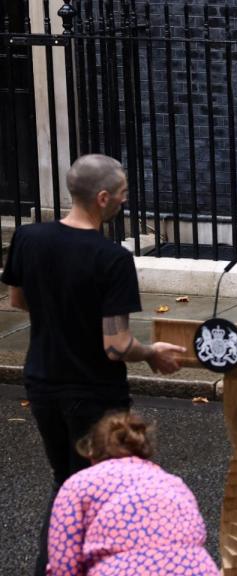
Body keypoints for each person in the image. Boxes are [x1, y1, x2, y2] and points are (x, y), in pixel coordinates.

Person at [1, 153, 187, 575]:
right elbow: (116, 346)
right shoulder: (111, 258)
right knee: (106, 490)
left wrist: (60, 313)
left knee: (66, 483)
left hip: (43, 384)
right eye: (122, 194)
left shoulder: (29, 238)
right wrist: (152, 352)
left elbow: (17, 300)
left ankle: (53, 567)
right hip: (95, 393)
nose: (125, 200)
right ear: (103, 198)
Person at [47, 412, 219, 575]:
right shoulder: (173, 483)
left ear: (92, 453)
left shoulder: (79, 484)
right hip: (194, 568)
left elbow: (64, 563)